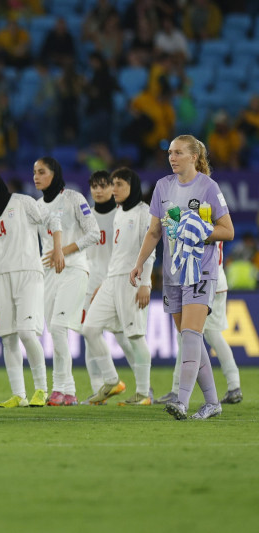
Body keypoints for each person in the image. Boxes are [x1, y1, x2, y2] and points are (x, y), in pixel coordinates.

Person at [130, 134, 234, 420]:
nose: (172, 157)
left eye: (178, 153)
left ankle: (182, 401)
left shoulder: (209, 187)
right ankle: (212, 403)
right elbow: (154, 231)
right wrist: (139, 263)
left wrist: (200, 232)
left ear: (193, 157)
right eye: (170, 153)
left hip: (200, 271)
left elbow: (228, 231)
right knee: (192, 341)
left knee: (190, 335)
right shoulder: (163, 187)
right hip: (173, 273)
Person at [0, 168, 60, 408]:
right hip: (1, 278)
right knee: (7, 338)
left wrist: (58, 248)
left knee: (26, 333)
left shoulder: (23, 202)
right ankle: (19, 395)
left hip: (28, 273)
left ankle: (41, 389)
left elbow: (52, 219)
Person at [82, 167, 155, 406]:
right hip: (111, 280)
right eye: (112, 184)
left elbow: (150, 251)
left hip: (132, 280)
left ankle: (143, 393)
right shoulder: (120, 212)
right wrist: (104, 282)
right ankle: (112, 380)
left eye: (119, 184)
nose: (114, 189)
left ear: (132, 186)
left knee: (135, 335)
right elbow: (118, 253)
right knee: (90, 329)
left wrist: (145, 283)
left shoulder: (144, 212)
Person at [34, 157, 100, 406]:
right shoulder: (37, 206)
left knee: (59, 326)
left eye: (42, 172)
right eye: (34, 172)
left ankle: (61, 388)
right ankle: (67, 391)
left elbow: (94, 233)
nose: (36, 177)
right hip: (49, 273)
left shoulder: (74, 198)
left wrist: (64, 250)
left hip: (75, 268)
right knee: (54, 331)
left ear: (54, 174)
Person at [156, 240, 243, 405]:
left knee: (186, 335)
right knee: (212, 335)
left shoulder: (203, 224)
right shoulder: (217, 224)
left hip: (203, 280)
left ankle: (177, 390)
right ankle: (234, 385)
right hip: (216, 279)